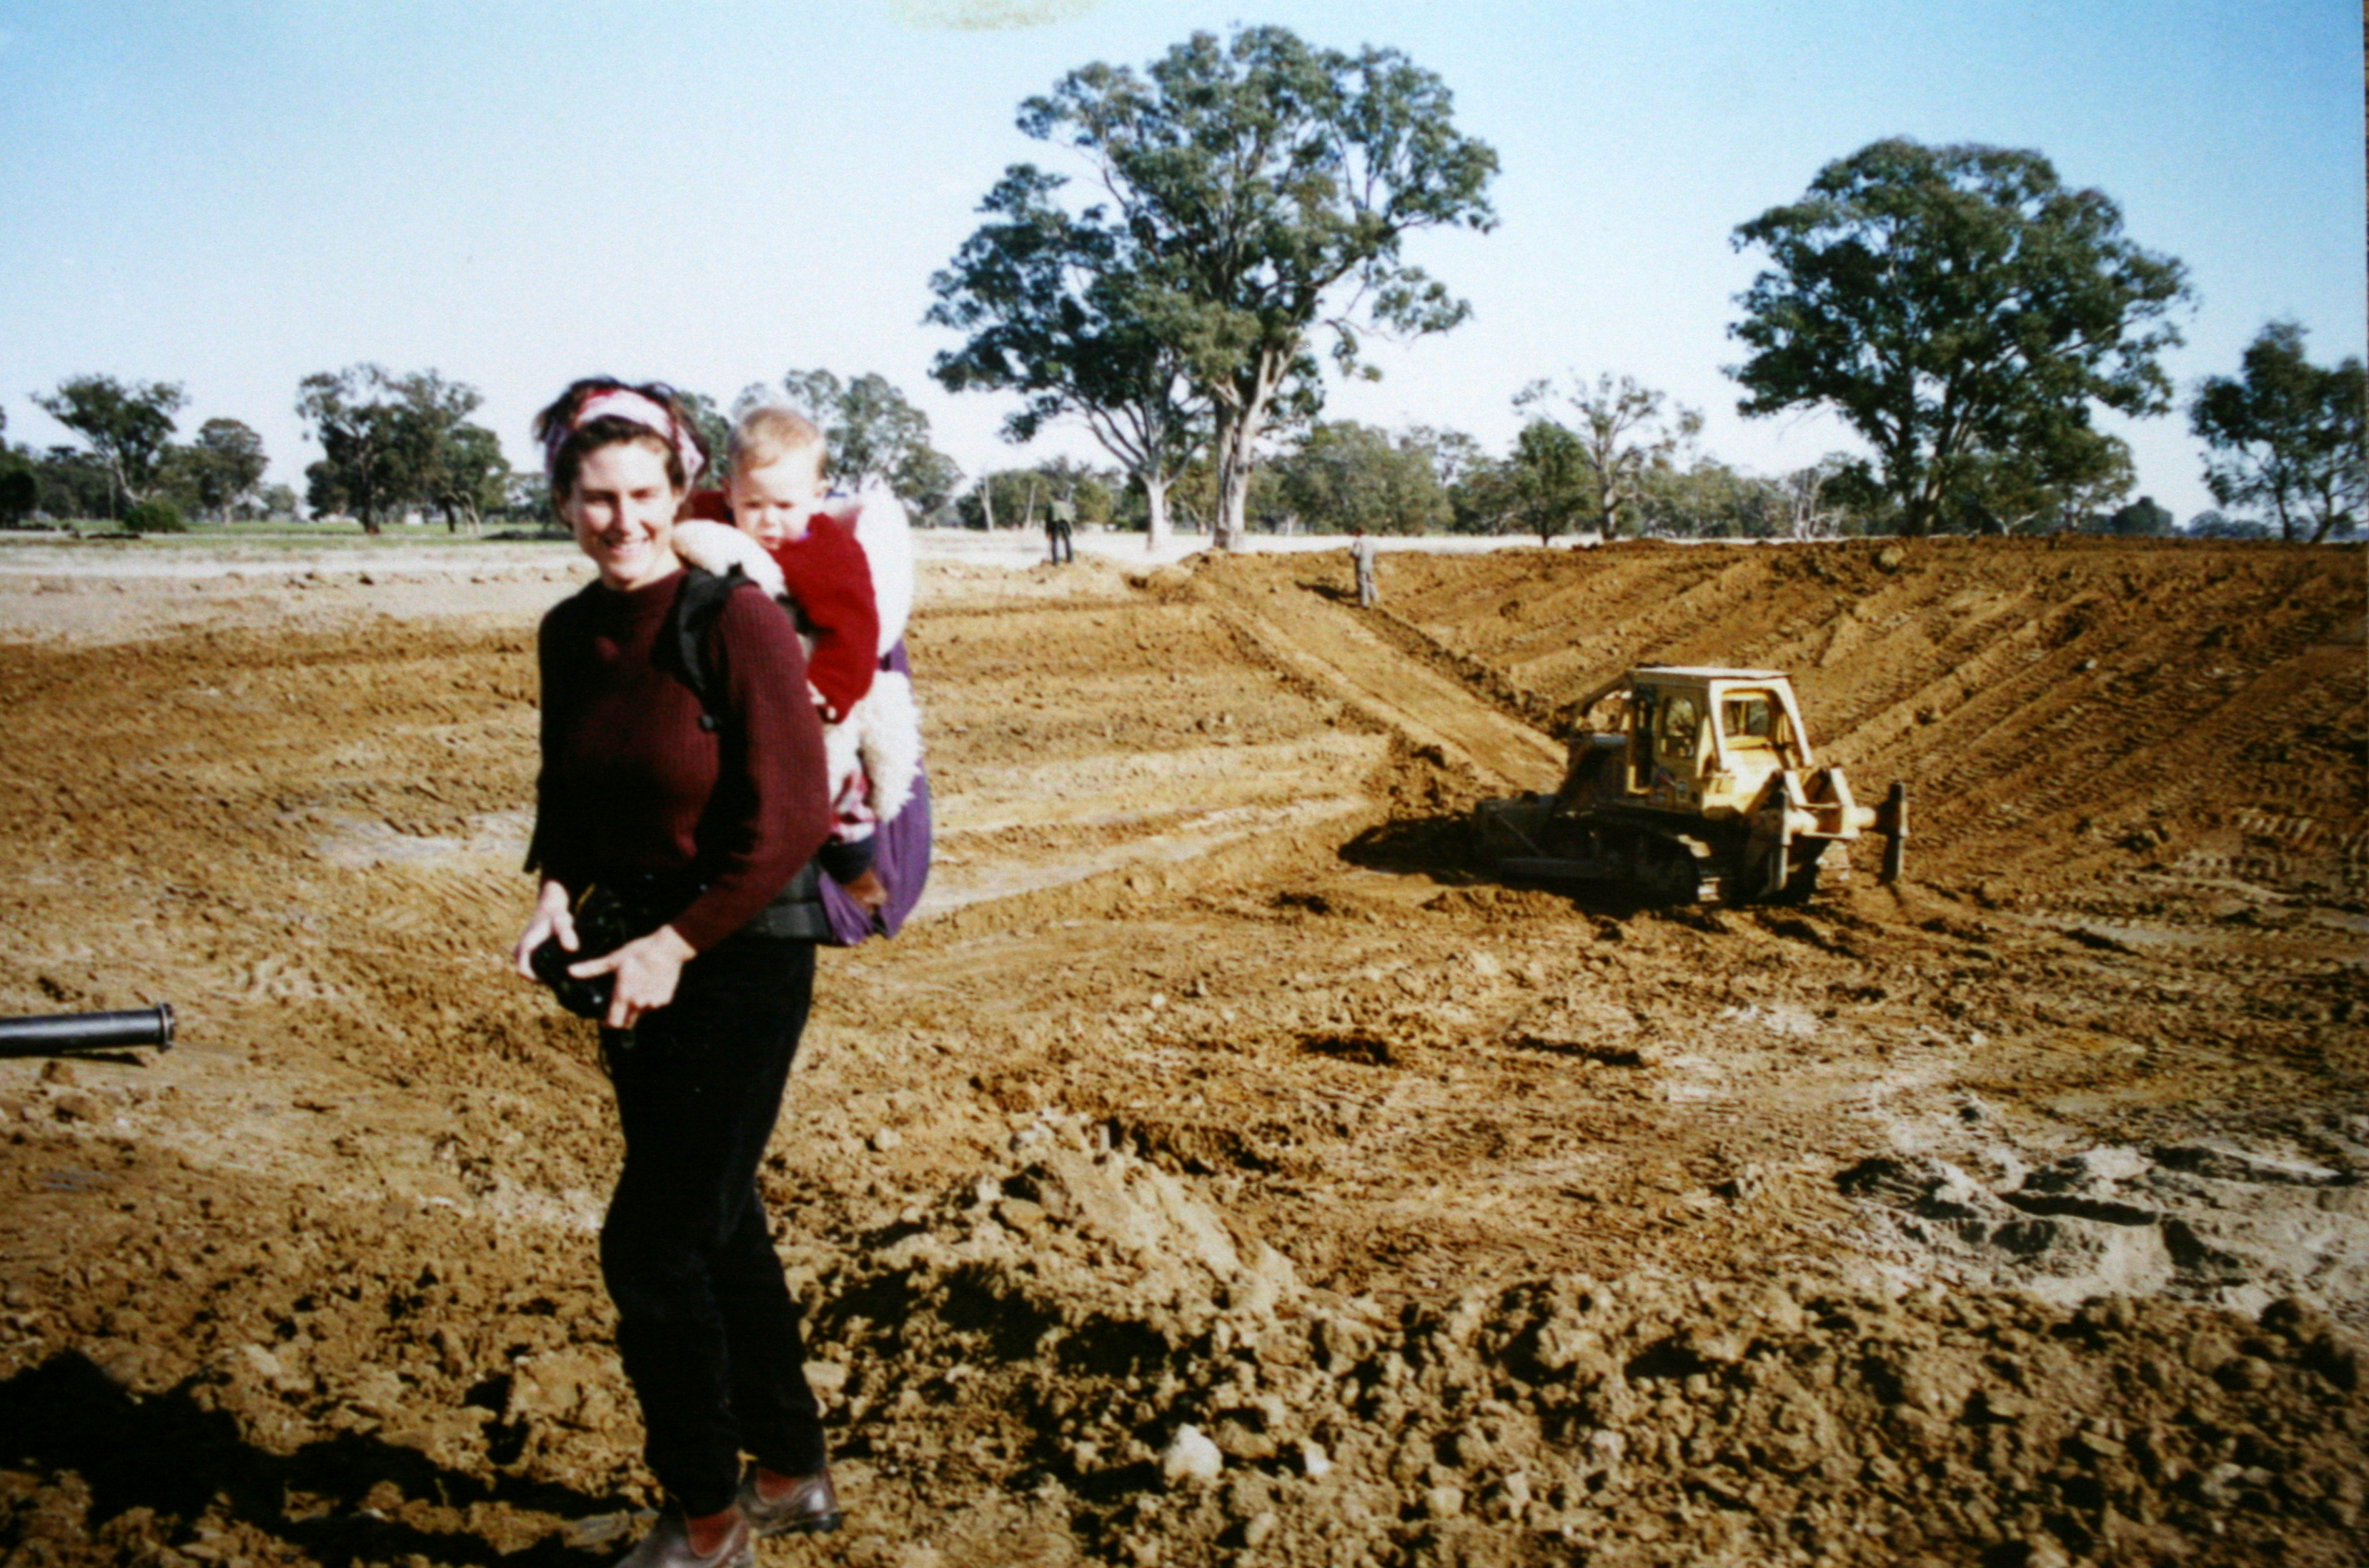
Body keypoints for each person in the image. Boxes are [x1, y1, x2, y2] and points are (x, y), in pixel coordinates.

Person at [510, 378, 843, 1568]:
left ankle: (706, 1520)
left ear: (677, 491)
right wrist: (556, 884)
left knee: (650, 1244)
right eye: (595, 499)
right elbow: (572, 786)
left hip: (739, 950)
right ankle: (793, 1469)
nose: (622, 519)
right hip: (625, 956)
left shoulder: (733, 617)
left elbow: (792, 814)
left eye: (644, 493)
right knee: (717, 1217)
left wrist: (678, 940)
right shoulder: (569, 633)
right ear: (561, 502)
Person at [1350, 525, 1380, 607]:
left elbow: (1356, 553)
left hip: (1361, 563)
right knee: (1370, 580)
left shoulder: (1358, 541)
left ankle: (1364, 603)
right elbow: (1375, 552)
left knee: (1362, 582)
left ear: (1358, 532)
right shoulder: (1371, 541)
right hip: (1370, 563)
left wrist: (1351, 554)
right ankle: (1376, 598)